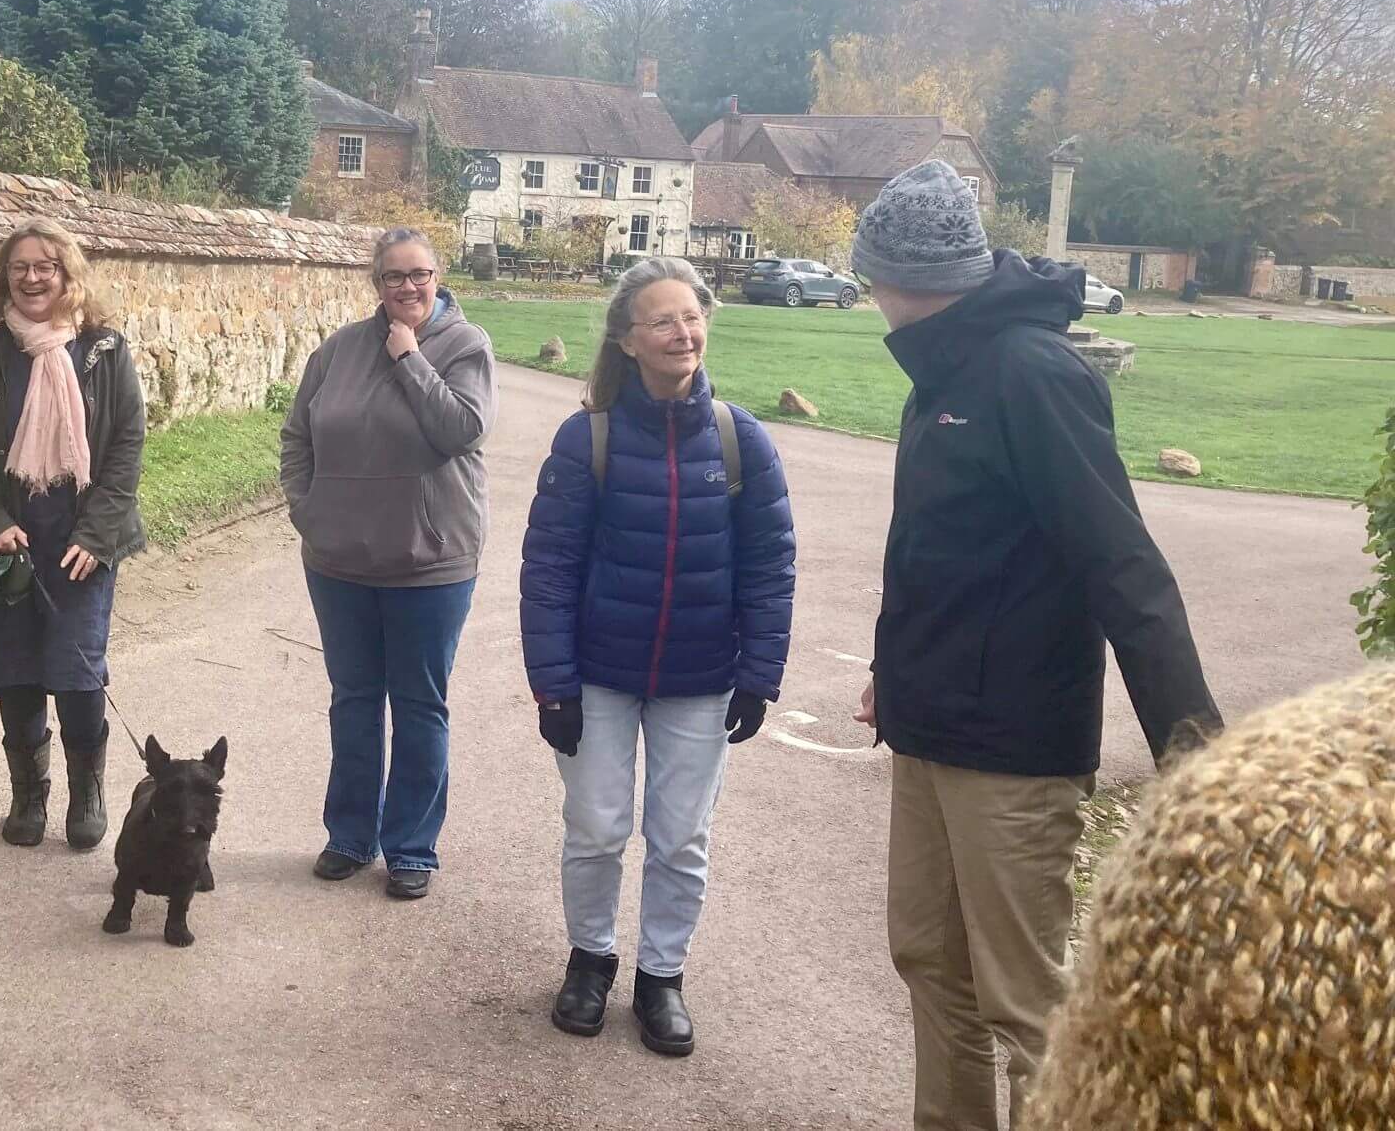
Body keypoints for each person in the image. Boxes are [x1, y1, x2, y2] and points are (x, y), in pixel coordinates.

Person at [848, 160, 1221, 1131]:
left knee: (1024, 1005)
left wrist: (1196, 757)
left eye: (867, 272)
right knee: (930, 964)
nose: (865, 291)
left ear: (902, 274)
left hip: (1011, 749)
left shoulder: (1029, 372)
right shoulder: (943, 369)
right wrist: (892, 677)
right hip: (930, 729)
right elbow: (938, 554)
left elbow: (1121, 567)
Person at [520, 256, 796, 1057]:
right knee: (598, 827)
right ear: (629, 340)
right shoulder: (589, 437)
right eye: (664, 320)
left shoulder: (740, 439)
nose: (684, 332)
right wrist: (553, 685)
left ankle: (661, 978)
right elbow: (549, 567)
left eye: (692, 317)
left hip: (701, 680)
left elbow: (771, 562)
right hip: (600, 674)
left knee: (681, 838)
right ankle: (591, 960)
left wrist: (759, 673)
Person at [1022, 665, 1395, 1131]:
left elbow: (1135, 598)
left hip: (1017, 746)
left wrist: (1215, 794)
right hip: (934, 720)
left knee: (1023, 996)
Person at [280, 227, 496, 901]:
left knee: (420, 705)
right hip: (339, 561)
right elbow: (297, 435)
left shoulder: (466, 345)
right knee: (353, 701)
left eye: (420, 274)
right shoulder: (339, 349)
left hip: (429, 564)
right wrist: (307, 509)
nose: (407, 287)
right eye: (393, 277)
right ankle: (349, 835)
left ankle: (411, 849)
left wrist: (409, 358)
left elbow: (461, 429)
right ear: (374, 282)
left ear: (438, 277)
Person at [0, 218, 147, 850]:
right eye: (20, 267)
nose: (32, 278)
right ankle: (29, 795)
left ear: (68, 275)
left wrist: (98, 532)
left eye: (45, 267)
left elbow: (127, 447)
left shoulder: (105, 350)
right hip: (11, 537)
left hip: (81, 537)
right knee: (18, 669)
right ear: (6, 275)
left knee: (79, 669)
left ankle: (88, 792)